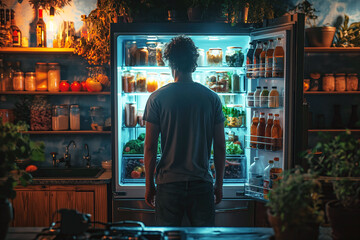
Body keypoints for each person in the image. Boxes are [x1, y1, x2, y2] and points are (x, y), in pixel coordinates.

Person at [143, 35, 226, 227]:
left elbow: (149, 147)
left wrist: (149, 185)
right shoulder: (212, 98)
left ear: (170, 62)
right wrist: (219, 184)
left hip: (168, 185)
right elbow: (220, 146)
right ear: (194, 62)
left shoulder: (157, 98)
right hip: (201, 184)